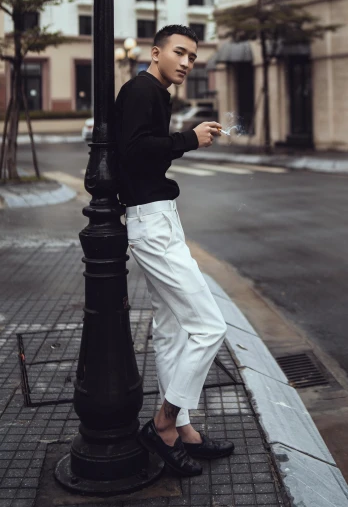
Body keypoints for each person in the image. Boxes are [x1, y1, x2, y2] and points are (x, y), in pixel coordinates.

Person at [115, 24, 234, 478]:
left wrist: (183, 139)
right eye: (179, 53)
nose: (187, 62)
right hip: (151, 221)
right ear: (155, 52)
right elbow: (134, 151)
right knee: (208, 325)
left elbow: (145, 153)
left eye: (192, 57)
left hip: (157, 215)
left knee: (169, 329)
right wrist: (189, 138)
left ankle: (183, 428)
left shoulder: (153, 92)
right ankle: (164, 423)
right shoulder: (143, 90)